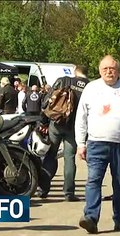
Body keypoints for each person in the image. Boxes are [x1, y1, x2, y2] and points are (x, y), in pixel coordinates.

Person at [76, 55, 120, 234]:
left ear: (118, 71)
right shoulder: (91, 88)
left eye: (112, 68)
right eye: (105, 68)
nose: (109, 71)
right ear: (100, 71)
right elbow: (81, 118)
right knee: (93, 181)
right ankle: (91, 217)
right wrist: (80, 143)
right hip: (96, 143)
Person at [36, 65, 89, 201]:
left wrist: (43, 122)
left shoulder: (64, 80)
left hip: (57, 123)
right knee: (69, 158)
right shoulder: (90, 86)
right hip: (75, 128)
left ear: (75, 71)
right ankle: (69, 193)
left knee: (50, 155)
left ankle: (43, 189)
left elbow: (48, 100)